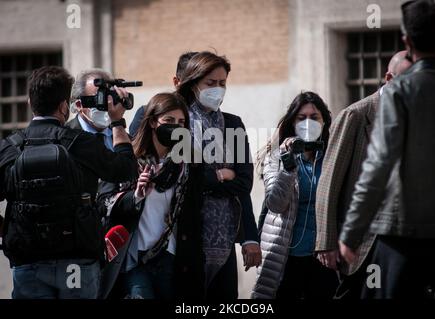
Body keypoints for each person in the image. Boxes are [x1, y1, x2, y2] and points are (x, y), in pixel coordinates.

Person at [339, 0, 435, 299]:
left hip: (403, 232)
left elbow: (379, 163)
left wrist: (351, 232)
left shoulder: (401, 90)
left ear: (407, 41)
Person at [0, 66, 137, 299]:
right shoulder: (81, 143)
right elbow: (125, 169)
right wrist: (117, 122)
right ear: (65, 106)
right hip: (78, 263)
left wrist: (8, 230)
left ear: (30, 102)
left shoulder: (11, 148)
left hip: (28, 264)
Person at [315, 50, 412, 299]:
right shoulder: (356, 115)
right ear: (389, 78)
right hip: (363, 242)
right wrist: (326, 241)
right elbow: (329, 182)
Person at [97, 92, 204, 300]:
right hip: (135, 259)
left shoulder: (189, 164)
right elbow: (104, 202)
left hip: (172, 258)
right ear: (154, 122)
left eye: (181, 122)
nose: (176, 127)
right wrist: (135, 195)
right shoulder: (128, 160)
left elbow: (196, 213)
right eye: (169, 121)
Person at [177, 51, 261, 299]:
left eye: (222, 83)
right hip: (187, 236)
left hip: (225, 238)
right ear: (193, 84)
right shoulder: (179, 123)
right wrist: (223, 175)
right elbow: (185, 178)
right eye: (210, 83)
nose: (218, 89)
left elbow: (244, 182)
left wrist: (250, 237)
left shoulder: (233, 124)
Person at [252, 91, 337, 299]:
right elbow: (276, 204)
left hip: (323, 255)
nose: (308, 122)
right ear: (293, 123)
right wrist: (288, 167)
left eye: (314, 117)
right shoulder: (277, 158)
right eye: (302, 118)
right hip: (285, 255)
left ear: (324, 121)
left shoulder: (333, 157)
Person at [129, 51, 198, 138]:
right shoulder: (148, 113)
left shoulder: (216, 119)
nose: (197, 88)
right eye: (169, 120)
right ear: (176, 82)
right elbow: (136, 147)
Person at [67, 69, 116, 150]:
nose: (107, 103)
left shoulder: (122, 136)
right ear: (79, 105)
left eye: (109, 97)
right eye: (99, 99)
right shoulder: (66, 137)